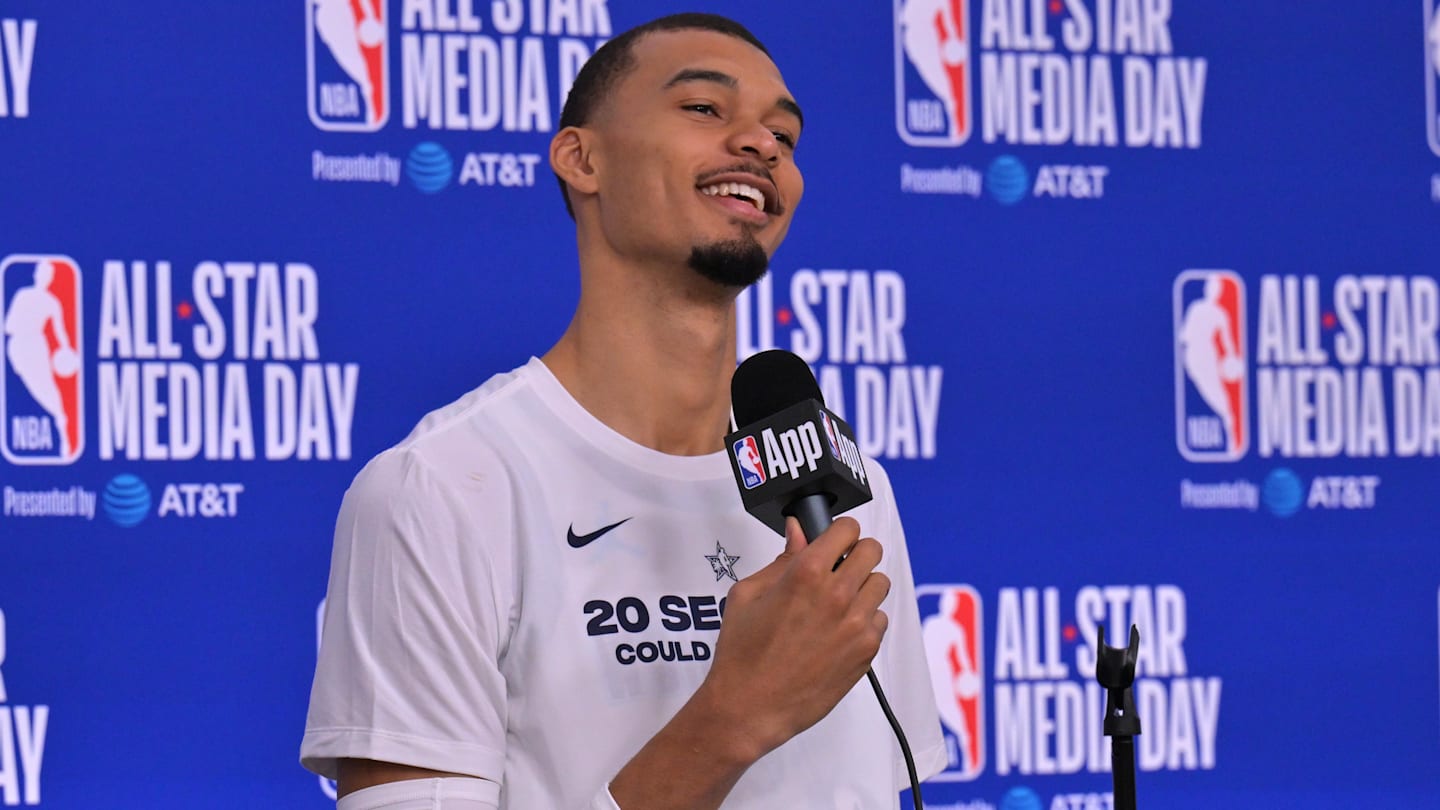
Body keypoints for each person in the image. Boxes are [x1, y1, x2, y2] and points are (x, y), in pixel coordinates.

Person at [301, 13, 944, 809]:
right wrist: (731, 718)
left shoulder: (850, 490)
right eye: (706, 109)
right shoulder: (441, 489)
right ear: (582, 158)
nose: (762, 144)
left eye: (786, 134)